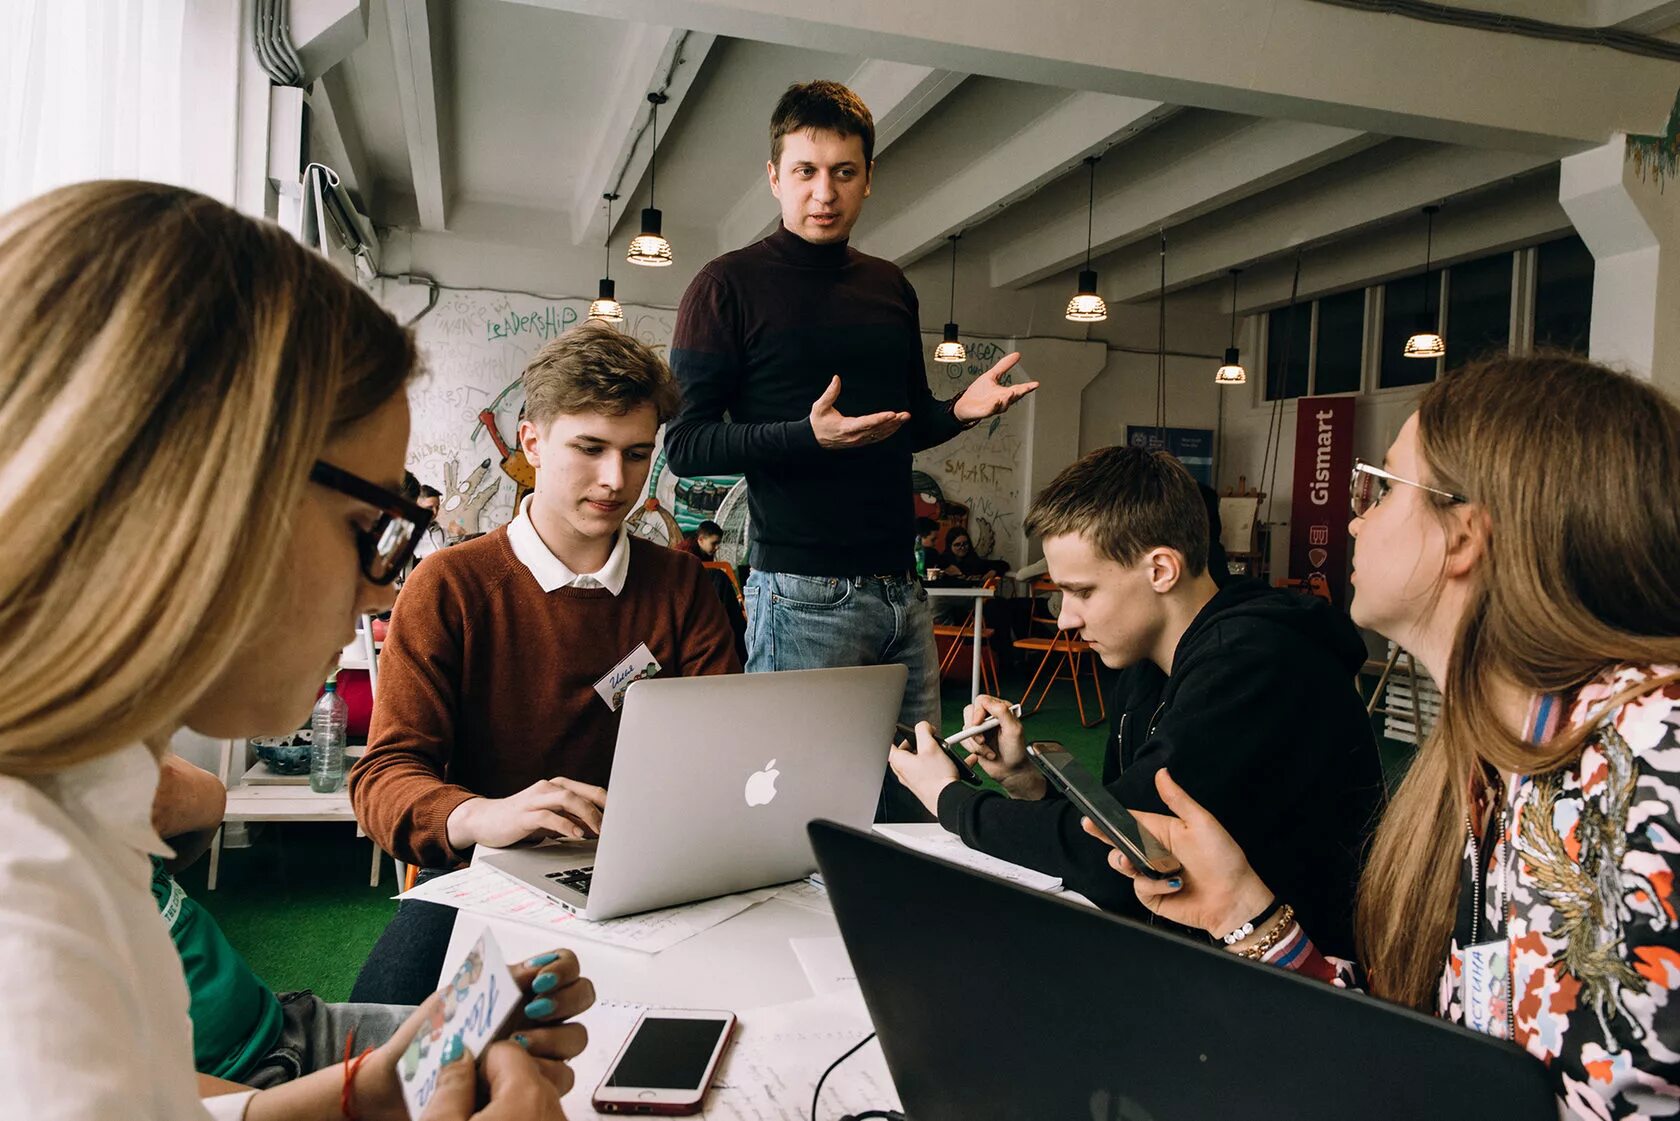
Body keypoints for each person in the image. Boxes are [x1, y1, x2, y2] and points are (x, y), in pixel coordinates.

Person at [0, 179, 585, 1119]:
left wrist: (374, 1087)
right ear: (202, 499)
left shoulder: (80, 811)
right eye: (374, 523)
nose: (386, 584)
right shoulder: (31, 917)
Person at [1083, 356, 1680, 1118]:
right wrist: (1246, 912)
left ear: (1464, 536)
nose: (1357, 515)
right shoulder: (1493, 760)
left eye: (1386, 485)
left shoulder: (1649, 747)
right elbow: (1441, 1060)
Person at [665, 80, 1038, 820]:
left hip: (902, 589)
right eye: (804, 171)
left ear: (868, 178)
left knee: (922, 801)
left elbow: (898, 424)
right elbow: (686, 443)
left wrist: (956, 412)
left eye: (843, 171)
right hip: (802, 593)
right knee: (797, 813)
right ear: (774, 176)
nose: (823, 192)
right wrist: (807, 436)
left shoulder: (890, 288)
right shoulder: (725, 286)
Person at [350, 322, 740, 1005]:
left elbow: (727, 748)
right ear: (531, 442)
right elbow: (383, 778)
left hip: (656, 872)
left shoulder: (683, 585)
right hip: (484, 875)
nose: (615, 480)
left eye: (637, 453)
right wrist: (482, 815)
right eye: (589, 449)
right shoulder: (449, 584)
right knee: (376, 1044)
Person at [890, 445, 1384, 957]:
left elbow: (1122, 862)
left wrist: (950, 799)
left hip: (1305, 976)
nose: (1065, 618)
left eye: (1082, 592)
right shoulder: (1148, 659)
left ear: (1161, 570)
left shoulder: (1258, 663)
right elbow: (1119, 834)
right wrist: (1025, 781)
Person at [150, 753, 413, 1087]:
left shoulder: (105, 793)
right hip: (242, 1088)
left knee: (473, 1041)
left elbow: (203, 796)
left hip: (284, 1025)